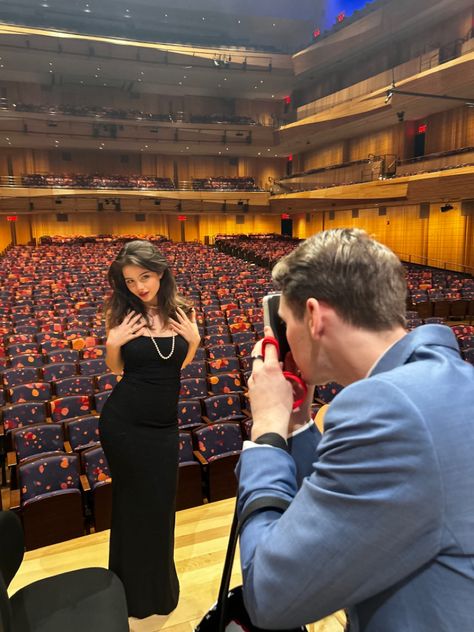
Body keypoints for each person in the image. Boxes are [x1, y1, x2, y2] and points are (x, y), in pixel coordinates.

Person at [236, 228, 474, 631]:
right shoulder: (446, 380)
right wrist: (297, 425)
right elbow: (348, 507)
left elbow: (271, 595)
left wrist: (267, 436)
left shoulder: (387, 407)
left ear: (314, 317)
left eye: (287, 323)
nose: (286, 338)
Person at [99, 239, 200, 618]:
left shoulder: (183, 311)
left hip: (163, 427)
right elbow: (116, 369)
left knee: (160, 507)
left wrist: (195, 341)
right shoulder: (122, 314)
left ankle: (158, 590)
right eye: (130, 281)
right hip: (123, 425)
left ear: (160, 272)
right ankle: (130, 593)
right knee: (131, 506)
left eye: (145, 276)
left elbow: (178, 364)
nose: (139, 287)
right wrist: (113, 343)